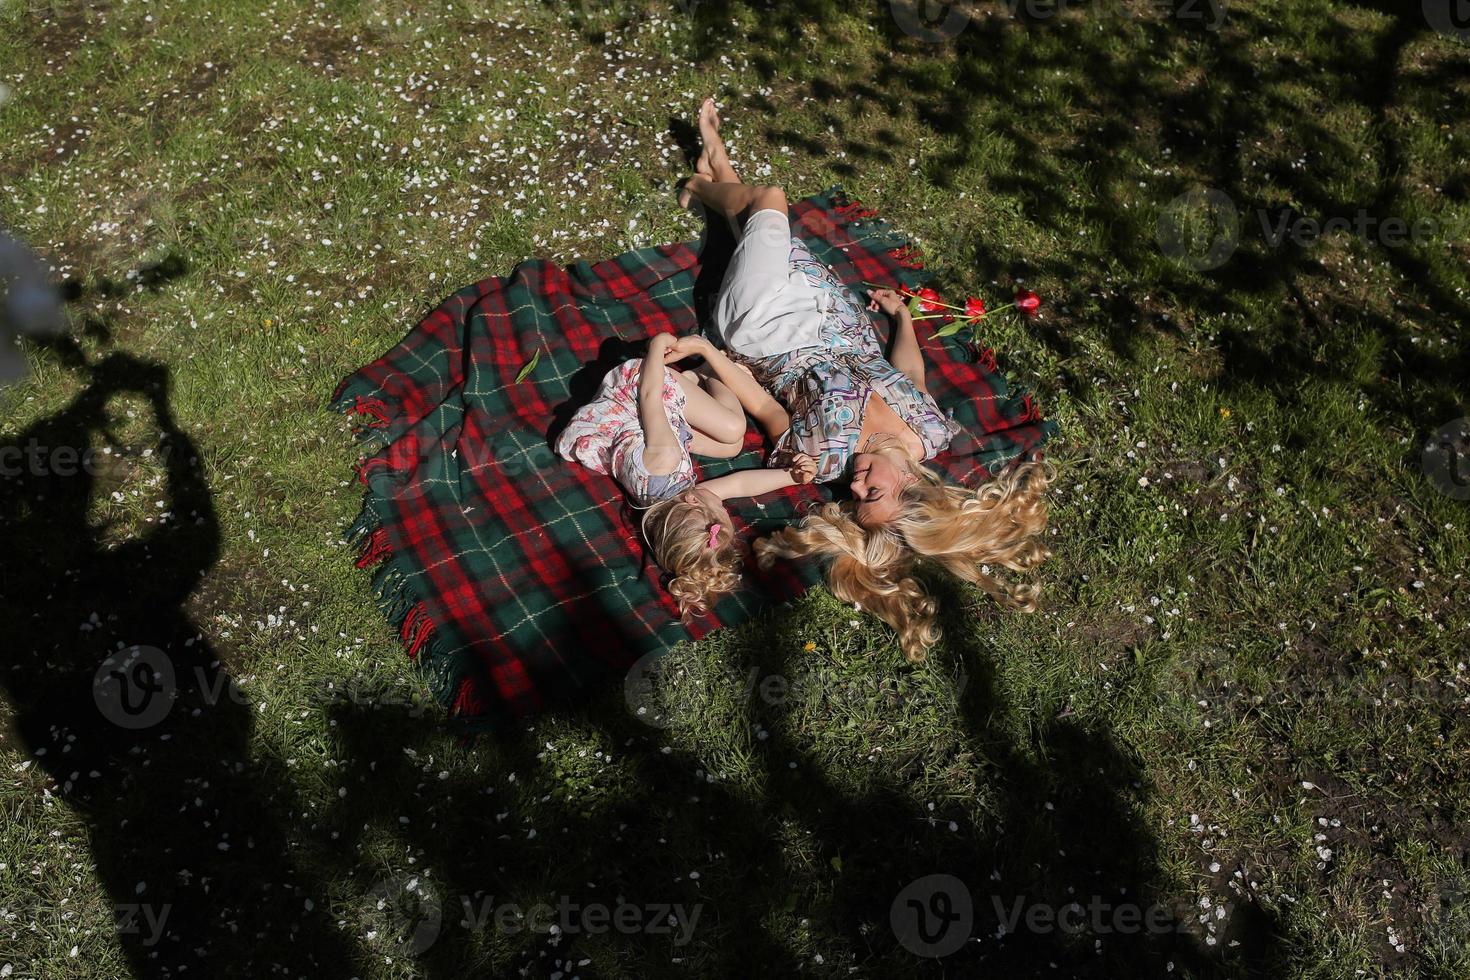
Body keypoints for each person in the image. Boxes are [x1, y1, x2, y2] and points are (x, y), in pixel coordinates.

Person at [674, 98, 1052, 660]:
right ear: (914, 485)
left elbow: (759, 406)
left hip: (763, 328)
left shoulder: (824, 456)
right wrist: (901, 318)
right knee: (756, 228)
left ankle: (700, 183)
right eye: (871, 493)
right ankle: (717, 161)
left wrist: (715, 355)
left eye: (855, 500)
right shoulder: (931, 434)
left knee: (768, 205)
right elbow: (907, 372)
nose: (853, 487)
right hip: (829, 308)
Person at [556, 329, 816, 620]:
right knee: (733, 447)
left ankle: (714, 371)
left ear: (694, 504)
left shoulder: (664, 461)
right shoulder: (668, 504)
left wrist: (655, 350)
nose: (722, 500)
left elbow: (650, 394)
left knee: (733, 430)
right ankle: (700, 376)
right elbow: (740, 483)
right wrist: (790, 476)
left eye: (721, 507)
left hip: (638, 389)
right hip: (654, 426)